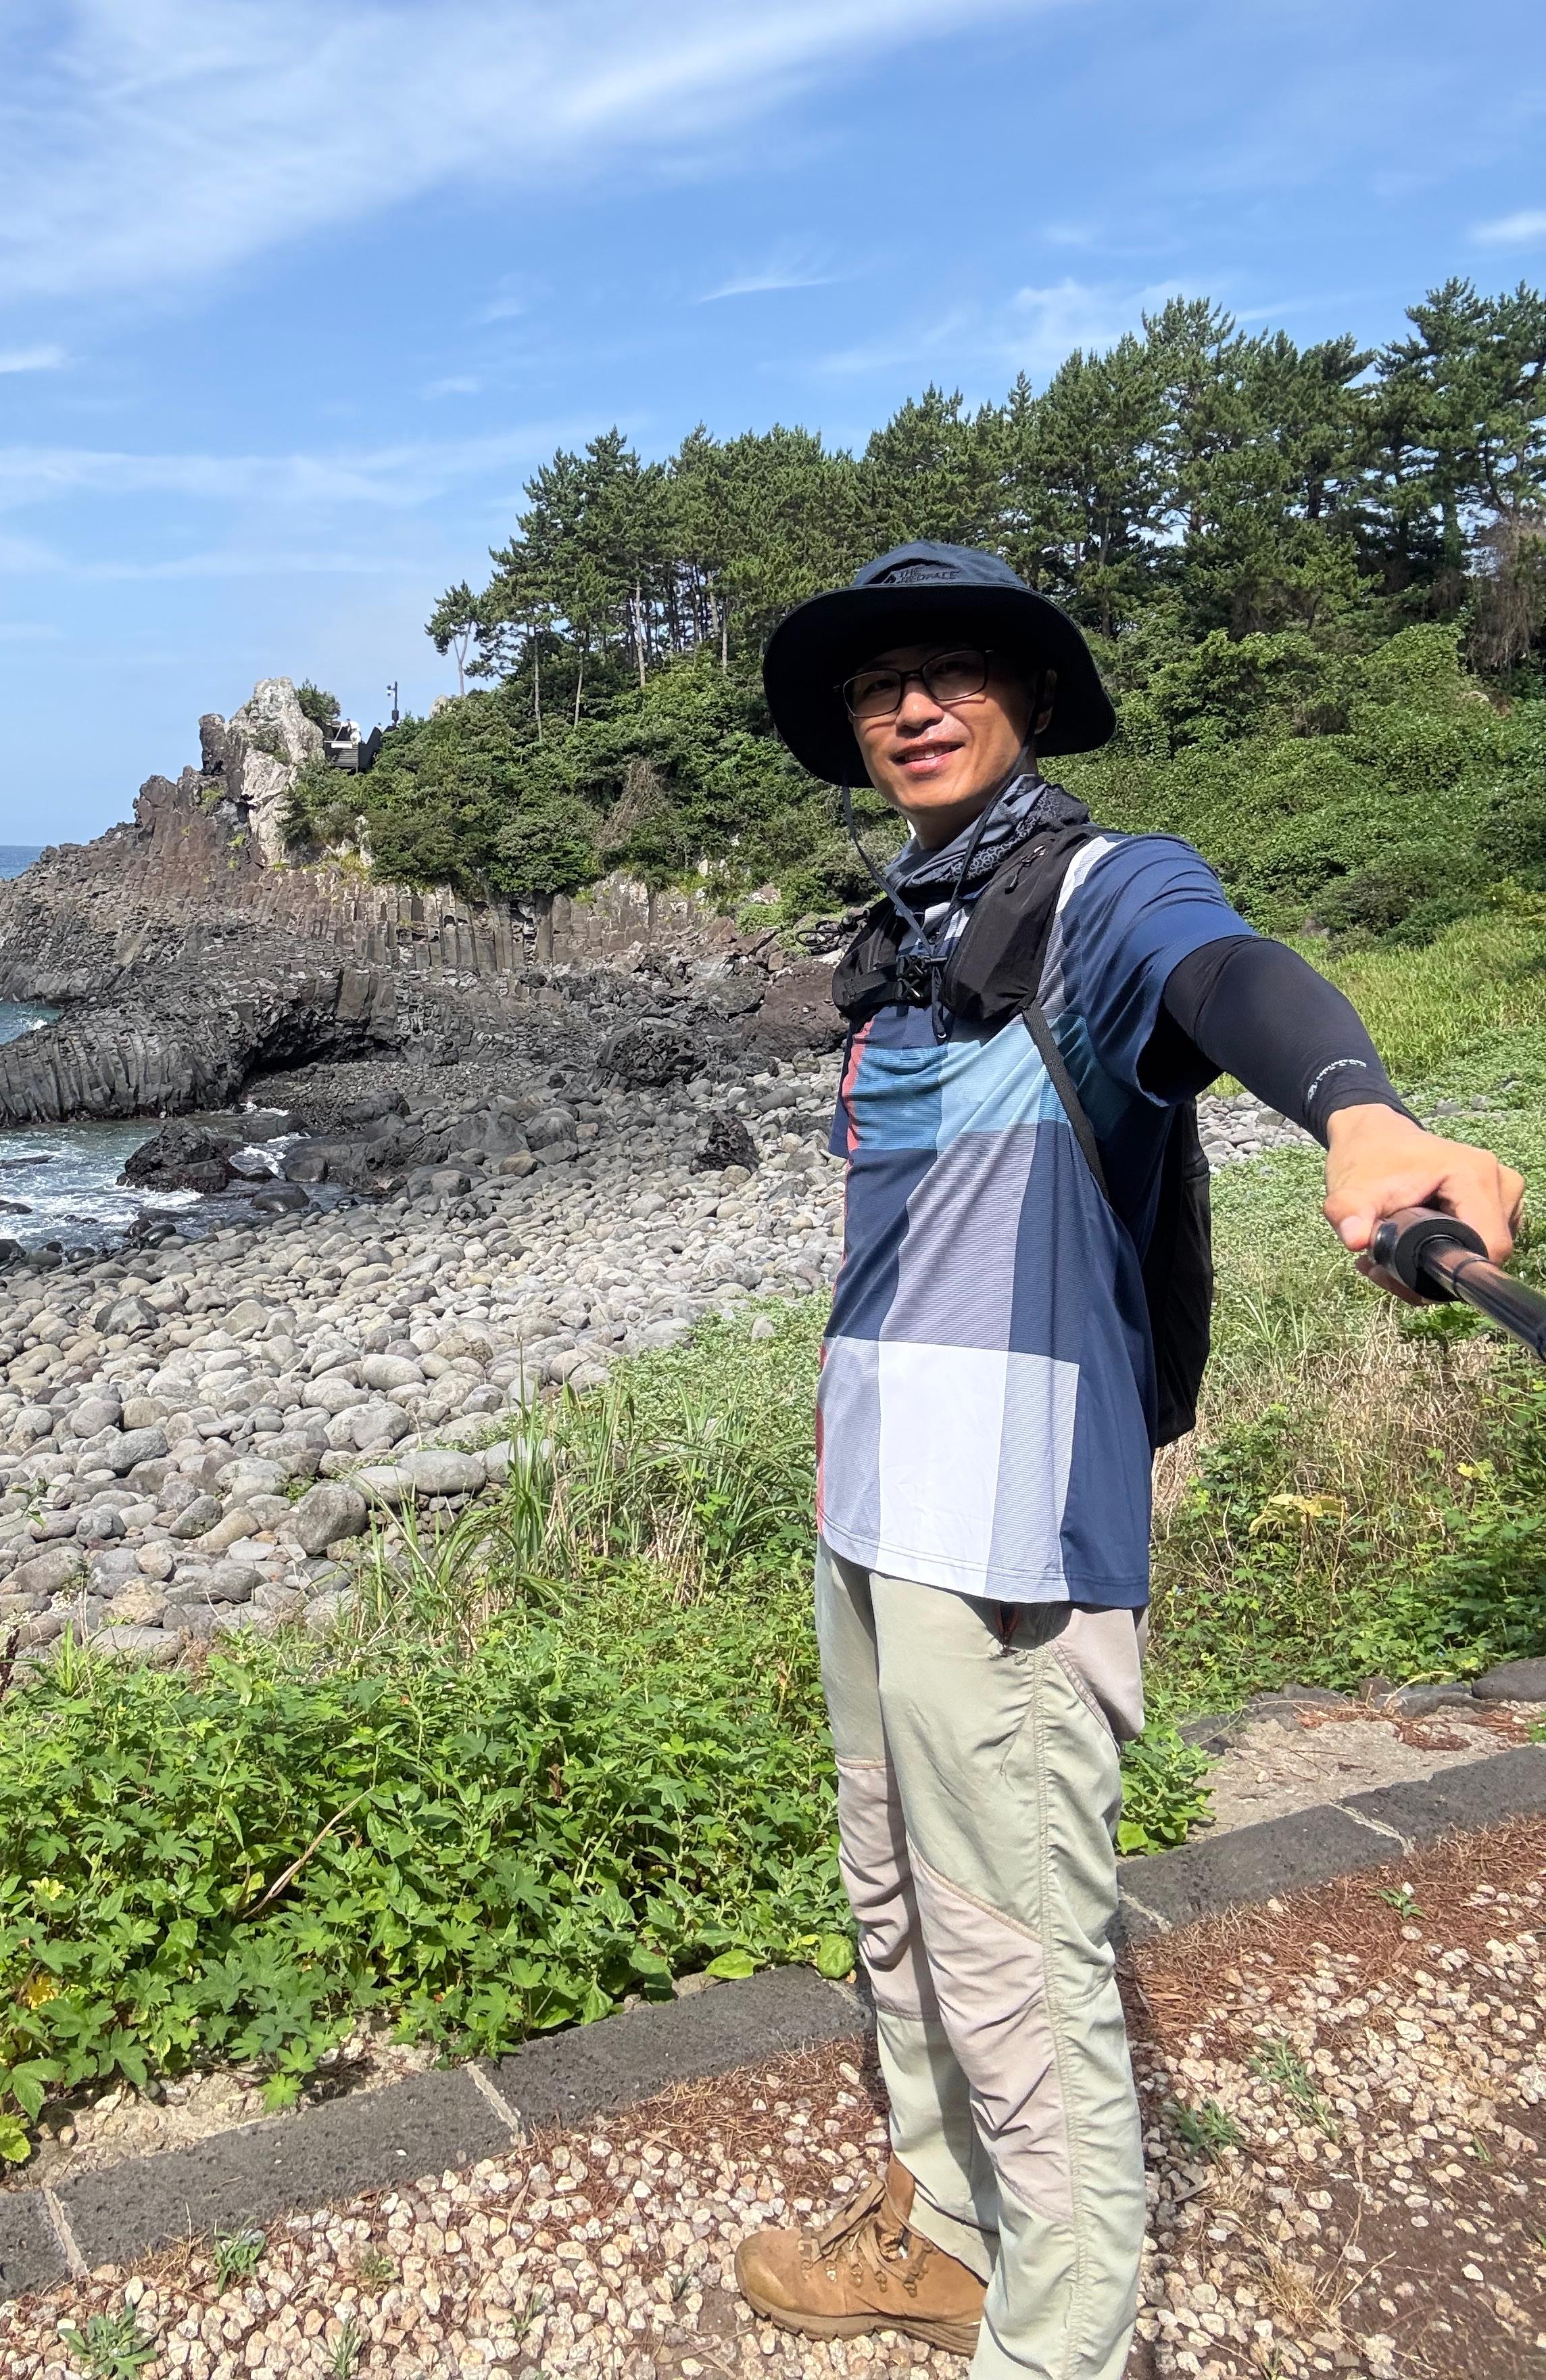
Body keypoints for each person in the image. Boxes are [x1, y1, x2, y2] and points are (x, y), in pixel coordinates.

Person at [735, 543, 1524, 2379]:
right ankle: (945, 2236)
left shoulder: (1100, 891)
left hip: (1010, 1517)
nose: (913, 706)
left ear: (1030, 699)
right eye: (879, 685)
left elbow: (1223, 968)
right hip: (875, 1498)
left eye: (955, 670)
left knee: (1014, 1949)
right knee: (896, 1895)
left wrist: (1363, 1115)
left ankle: (1061, 2338)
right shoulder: (912, 931)